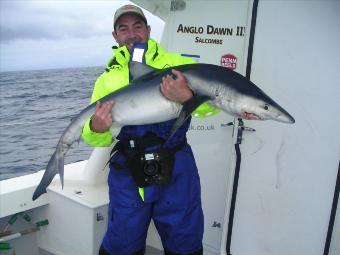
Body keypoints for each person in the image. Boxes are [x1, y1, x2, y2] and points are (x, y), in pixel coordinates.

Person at [82, 4, 217, 255]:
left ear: (148, 30)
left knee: (184, 242)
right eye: (124, 29)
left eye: (137, 26)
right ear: (116, 36)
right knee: (122, 243)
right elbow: (93, 137)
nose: (131, 34)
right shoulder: (107, 80)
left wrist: (188, 97)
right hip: (128, 171)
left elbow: (214, 108)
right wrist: (96, 126)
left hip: (177, 165)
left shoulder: (178, 64)